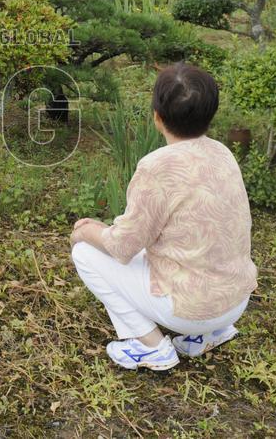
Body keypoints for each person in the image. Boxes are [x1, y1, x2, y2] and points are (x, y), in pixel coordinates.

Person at [70, 62, 257, 371]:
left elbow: (122, 248)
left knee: (85, 253)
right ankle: (208, 335)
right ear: (211, 114)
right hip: (236, 301)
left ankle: (152, 346)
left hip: (191, 310)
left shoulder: (156, 167)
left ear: (157, 117)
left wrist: (87, 231)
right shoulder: (222, 152)